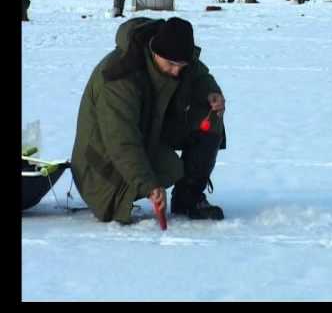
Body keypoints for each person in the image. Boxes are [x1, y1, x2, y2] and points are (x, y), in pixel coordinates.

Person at [71, 17, 227, 224]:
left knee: (209, 115)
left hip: (147, 134)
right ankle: (125, 197)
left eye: (182, 65)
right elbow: (122, 141)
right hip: (100, 170)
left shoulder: (174, 57)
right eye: (171, 64)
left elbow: (198, 74)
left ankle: (188, 198)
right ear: (155, 51)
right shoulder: (119, 76)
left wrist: (211, 92)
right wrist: (149, 185)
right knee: (170, 168)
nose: (176, 71)